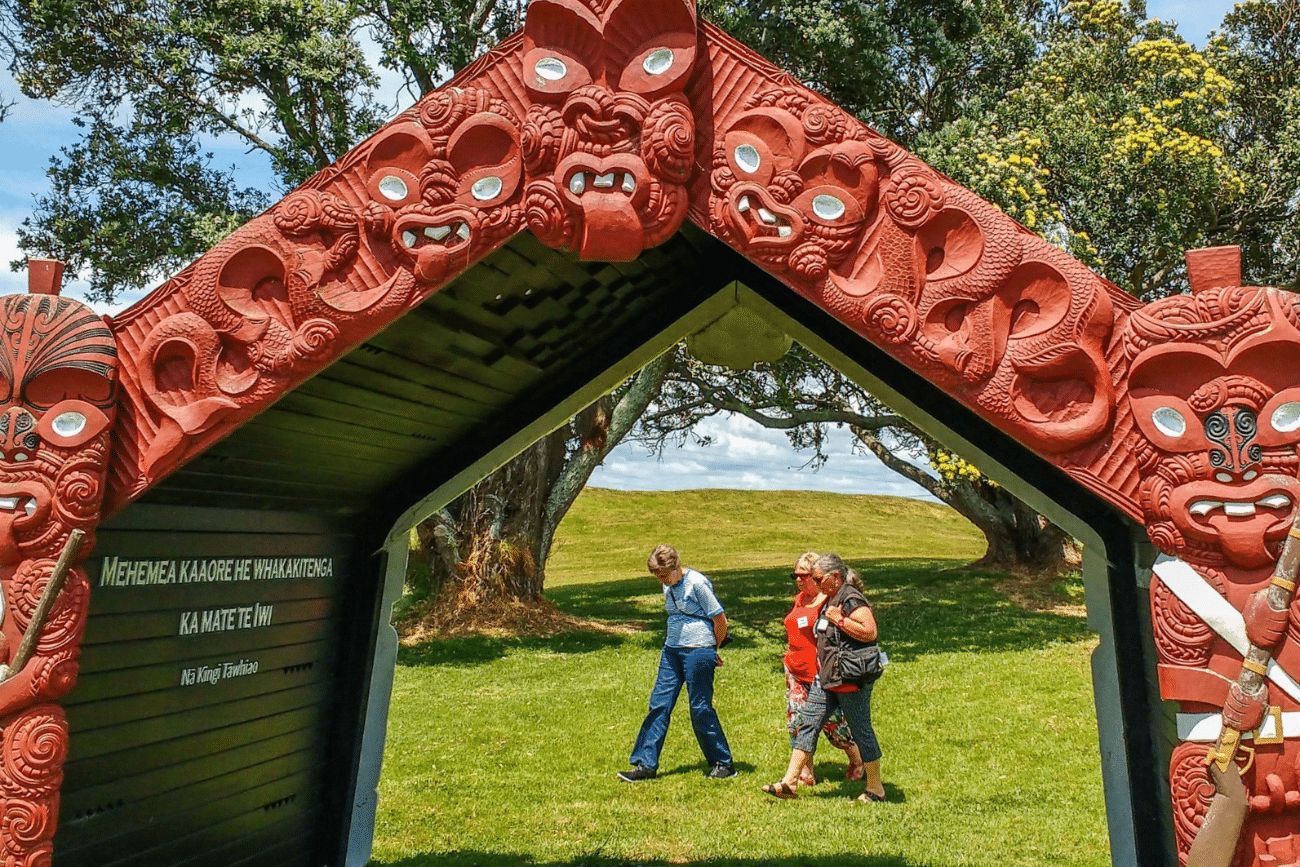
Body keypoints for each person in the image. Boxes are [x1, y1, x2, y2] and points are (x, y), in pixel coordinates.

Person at [762, 552, 885, 802]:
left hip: (850, 679)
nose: (815, 584)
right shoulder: (830, 597)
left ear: (835, 577)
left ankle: (876, 788)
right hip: (827, 676)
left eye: (818, 579)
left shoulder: (850, 599)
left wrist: (839, 620)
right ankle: (790, 782)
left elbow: (869, 632)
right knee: (807, 723)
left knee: (861, 731)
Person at [618, 544, 736, 782]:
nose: (661, 580)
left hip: (699, 650)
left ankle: (723, 762)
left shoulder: (697, 584)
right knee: (659, 704)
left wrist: (714, 649)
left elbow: (720, 619)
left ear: (676, 567)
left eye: (663, 575)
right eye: (657, 576)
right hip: (671, 650)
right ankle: (645, 764)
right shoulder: (667, 586)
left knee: (700, 707)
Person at [783, 551, 865, 785]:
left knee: (833, 724)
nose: (798, 580)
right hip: (795, 672)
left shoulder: (827, 603)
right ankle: (805, 773)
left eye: (804, 575)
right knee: (797, 722)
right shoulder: (800, 599)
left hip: (819, 673)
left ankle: (858, 759)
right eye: (794, 575)